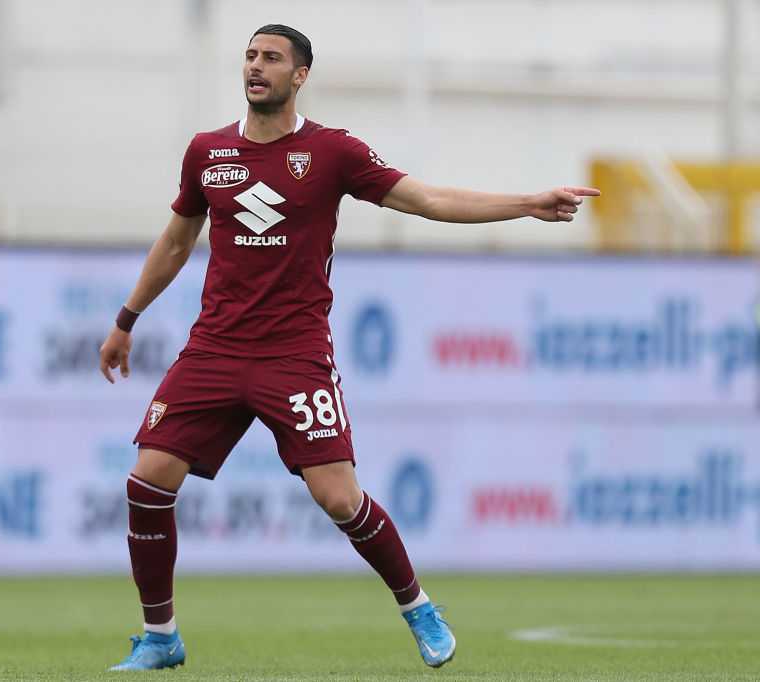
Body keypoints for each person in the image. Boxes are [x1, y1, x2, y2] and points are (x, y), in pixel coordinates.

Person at [99, 23, 599, 671]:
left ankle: (417, 606)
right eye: (250, 56)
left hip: (294, 355)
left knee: (338, 498)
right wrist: (126, 318)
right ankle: (161, 637)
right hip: (215, 351)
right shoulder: (207, 152)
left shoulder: (332, 152)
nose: (256, 67)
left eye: (271, 58)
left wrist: (526, 203)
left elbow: (427, 198)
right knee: (146, 483)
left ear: (299, 75)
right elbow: (175, 242)